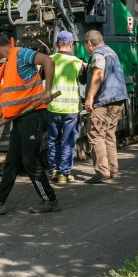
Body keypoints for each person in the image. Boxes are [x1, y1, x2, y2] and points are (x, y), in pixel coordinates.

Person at [0, 28, 59, 216]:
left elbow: (48, 60)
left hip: (34, 115)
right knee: (11, 162)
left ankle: (49, 200)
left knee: (29, 160)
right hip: (19, 119)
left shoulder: (21, 54)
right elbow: (6, 101)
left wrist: (47, 91)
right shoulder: (6, 66)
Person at [82, 30, 129, 184]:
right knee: (109, 135)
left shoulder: (97, 54)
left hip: (103, 101)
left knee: (96, 135)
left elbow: (98, 75)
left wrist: (89, 98)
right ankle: (113, 170)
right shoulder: (111, 52)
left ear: (89, 43)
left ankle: (102, 172)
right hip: (118, 100)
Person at [46, 31, 86, 184]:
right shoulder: (77, 62)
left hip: (53, 107)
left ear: (57, 45)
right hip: (70, 109)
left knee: (53, 139)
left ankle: (54, 170)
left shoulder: (49, 60)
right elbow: (83, 81)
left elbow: (43, 77)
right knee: (68, 141)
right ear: (71, 45)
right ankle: (64, 173)